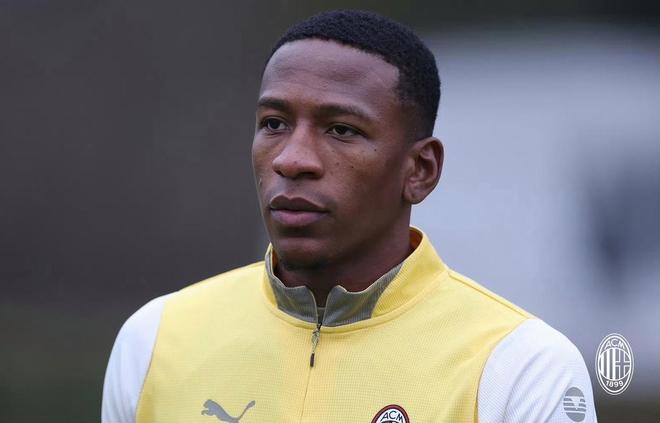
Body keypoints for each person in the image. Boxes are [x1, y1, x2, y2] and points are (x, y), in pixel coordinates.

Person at [102, 10, 597, 423]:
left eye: (341, 130)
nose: (292, 159)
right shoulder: (155, 341)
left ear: (420, 170)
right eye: (273, 123)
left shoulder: (519, 367)